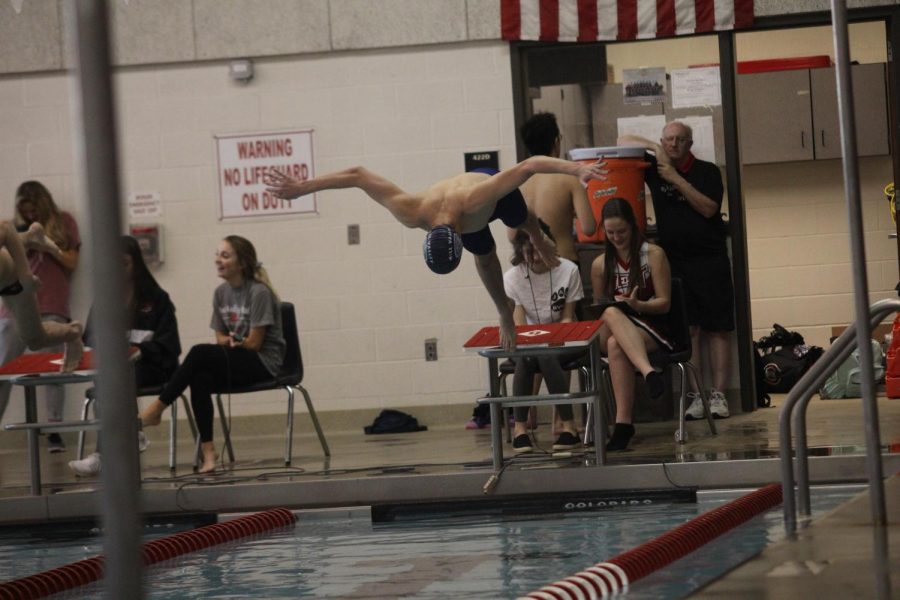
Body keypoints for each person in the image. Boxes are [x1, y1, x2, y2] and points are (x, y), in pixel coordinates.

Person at [264, 155, 607, 351]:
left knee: (518, 219)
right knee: (484, 254)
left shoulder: (475, 200)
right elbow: (357, 175)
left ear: (456, 232)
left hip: (486, 189)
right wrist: (302, 188)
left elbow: (530, 165)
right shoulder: (412, 211)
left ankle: (535, 234)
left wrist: (576, 170)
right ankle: (503, 310)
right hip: (470, 220)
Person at [138, 236, 285, 474]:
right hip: (237, 356)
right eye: (217, 255)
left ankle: (157, 408)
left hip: (262, 362)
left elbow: (256, 344)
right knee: (200, 378)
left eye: (225, 256)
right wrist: (228, 341)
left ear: (242, 263)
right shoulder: (220, 293)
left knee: (198, 353)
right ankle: (209, 453)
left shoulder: (259, 293)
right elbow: (218, 336)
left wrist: (237, 342)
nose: (218, 260)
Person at [618, 121, 732, 420]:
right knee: (690, 329)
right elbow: (623, 139)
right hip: (675, 261)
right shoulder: (656, 166)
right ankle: (696, 395)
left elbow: (709, 208)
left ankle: (719, 395)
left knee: (717, 328)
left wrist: (675, 178)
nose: (673, 145)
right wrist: (655, 151)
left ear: (690, 144)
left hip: (710, 258)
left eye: (680, 140)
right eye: (668, 140)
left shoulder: (707, 171)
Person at [68, 236, 182, 476]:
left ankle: (114, 446)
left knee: (119, 377)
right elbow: (89, 340)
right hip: (116, 372)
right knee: (109, 379)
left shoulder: (157, 299)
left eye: (124, 263)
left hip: (153, 368)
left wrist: (141, 350)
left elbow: (171, 345)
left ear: (136, 264)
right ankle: (127, 437)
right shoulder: (104, 301)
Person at [0, 181, 81, 452]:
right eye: (26, 211)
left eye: (34, 210)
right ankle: (73, 333)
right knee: (4, 367)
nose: (30, 215)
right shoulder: (15, 227)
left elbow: (72, 262)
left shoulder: (63, 223)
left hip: (47, 300)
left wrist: (48, 248)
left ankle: (54, 427)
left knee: (49, 363)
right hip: (14, 300)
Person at [590, 198, 671, 451]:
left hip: (648, 326)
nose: (616, 237)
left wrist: (639, 306)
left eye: (622, 231)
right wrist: (618, 308)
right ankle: (648, 372)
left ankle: (623, 425)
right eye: (611, 232)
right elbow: (598, 308)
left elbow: (665, 303)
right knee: (612, 313)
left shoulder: (653, 254)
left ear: (633, 227)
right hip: (609, 325)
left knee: (617, 345)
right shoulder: (600, 264)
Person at [503, 221, 584, 453]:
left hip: (564, 336)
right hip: (531, 341)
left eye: (539, 250)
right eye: (529, 252)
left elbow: (568, 317)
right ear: (520, 253)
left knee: (545, 355)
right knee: (531, 356)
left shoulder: (569, 270)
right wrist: (535, 341)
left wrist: (552, 338)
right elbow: (519, 324)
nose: (536, 258)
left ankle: (569, 426)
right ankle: (520, 429)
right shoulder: (513, 277)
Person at [515, 112, 596, 263]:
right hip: (562, 261)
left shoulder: (518, 182)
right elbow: (589, 228)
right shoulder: (569, 177)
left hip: (531, 264)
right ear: (556, 141)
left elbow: (512, 235)